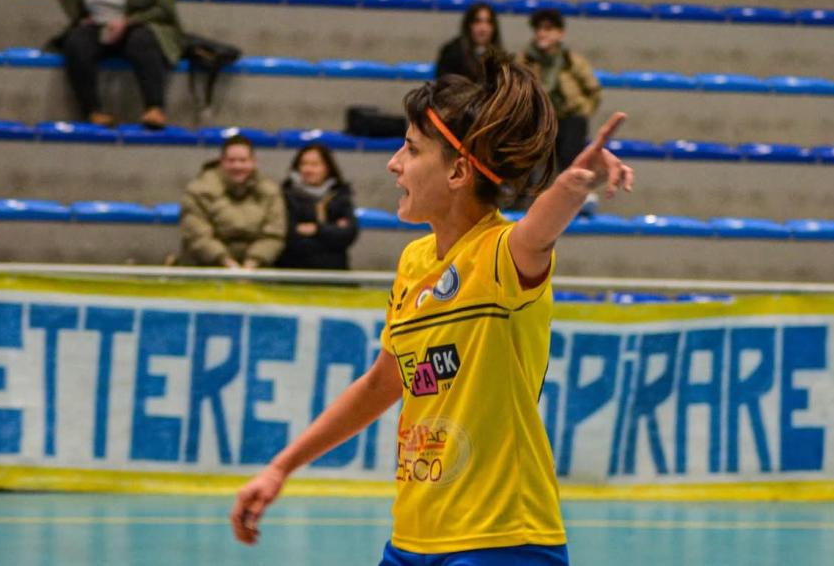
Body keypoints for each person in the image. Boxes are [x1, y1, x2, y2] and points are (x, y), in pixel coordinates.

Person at [230, 54, 633, 565]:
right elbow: (381, 384)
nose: (394, 163)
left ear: (459, 171)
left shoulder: (500, 255)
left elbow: (539, 231)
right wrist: (281, 467)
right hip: (413, 541)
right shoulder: (414, 262)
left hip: (501, 542)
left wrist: (573, 186)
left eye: (412, 148)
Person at [51, 0, 184, 128]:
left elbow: (165, 9)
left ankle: (154, 108)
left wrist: (127, 22)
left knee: (142, 41)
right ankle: (93, 111)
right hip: (98, 26)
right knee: (76, 42)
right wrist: (80, 17)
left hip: (140, 25)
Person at [179, 135, 287, 269]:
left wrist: (251, 264)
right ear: (221, 162)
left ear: (253, 162)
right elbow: (198, 237)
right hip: (207, 268)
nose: (237, 166)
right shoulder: (197, 191)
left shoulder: (270, 191)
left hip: (257, 269)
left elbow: (274, 235)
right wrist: (228, 264)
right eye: (231, 160)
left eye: (243, 160)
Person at [519, 8, 602, 172]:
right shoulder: (525, 61)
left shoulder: (572, 61)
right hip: (538, 120)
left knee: (570, 163)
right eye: (539, 29)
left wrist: (583, 110)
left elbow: (594, 91)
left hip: (569, 118)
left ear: (560, 34)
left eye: (548, 29)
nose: (542, 33)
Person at [276, 144, 359, 270]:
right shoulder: (284, 196)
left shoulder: (341, 195)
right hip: (292, 270)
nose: (308, 169)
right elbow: (288, 237)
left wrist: (316, 229)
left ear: (328, 168)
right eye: (303, 164)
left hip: (335, 272)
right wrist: (333, 231)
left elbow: (348, 234)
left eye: (315, 164)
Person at [435, 2, 504, 82]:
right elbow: (443, 84)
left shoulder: (499, 57)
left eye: (488, 22)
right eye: (477, 22)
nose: (483, 28)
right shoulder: (451, 53)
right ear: (469, 25)